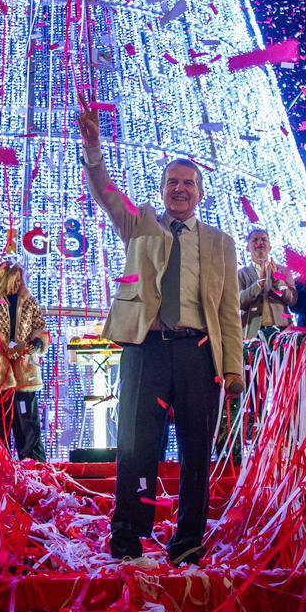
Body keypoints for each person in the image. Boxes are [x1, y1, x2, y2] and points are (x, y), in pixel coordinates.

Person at [78, 92, 243, 565]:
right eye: (173, 182)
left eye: (188, 183)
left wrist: (234, 368)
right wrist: (93, 149)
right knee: (136, 446)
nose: (180, 189)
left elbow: (228, 310)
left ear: (200, 193)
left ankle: (187, 542)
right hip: (145, 348)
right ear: (163, 188)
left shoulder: (221, 243)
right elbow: (105, 192)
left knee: (196, 453)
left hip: (198, 353)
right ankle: (128, 539)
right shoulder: (141, 224)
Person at [0, 261, 49, 461]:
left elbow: (39, 327)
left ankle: (32, 464)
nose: (18, 284)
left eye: (20, 280)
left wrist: (36, 343)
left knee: (27, 419)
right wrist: (7, 347)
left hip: (24, 368)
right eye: (15, 280)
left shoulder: (29, 300)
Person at [238, 229, 295, 340]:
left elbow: (292, 300)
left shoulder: (283, 271)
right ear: (247, 248)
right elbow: (238, 302)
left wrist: (277, 281)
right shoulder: (241, 274)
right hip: (252, 333)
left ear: (270, 246)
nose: (260, 242)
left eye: (264, 239)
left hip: (283, 330)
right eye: (255, 240)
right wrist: (259, 285)